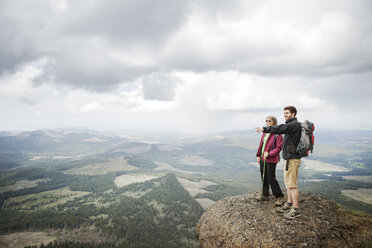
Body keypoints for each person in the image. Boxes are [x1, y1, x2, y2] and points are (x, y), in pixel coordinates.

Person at [255, 106, 302, 219]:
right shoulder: (290, 126)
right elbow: (262, 146)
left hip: (291, 158)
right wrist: (259, 155)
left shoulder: (293, 125)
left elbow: (280, 131)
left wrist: (264, 129)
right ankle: (289, 204)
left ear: (293, 114)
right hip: (288, 158)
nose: (285, 115)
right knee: (288, 184)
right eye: (284, 113)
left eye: (287, 113)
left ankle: (295, 209)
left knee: (291, 184)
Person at [255, 115, 284, 206]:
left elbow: (279, 147)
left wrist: (270, 153)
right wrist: (259, 155)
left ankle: (279, 197)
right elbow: (262, 145)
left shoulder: (277, 134)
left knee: (271, 178)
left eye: (269, 121)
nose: (267, 122)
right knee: (264, 176)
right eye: (266, 120)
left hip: (271, 159)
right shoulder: (265, 133)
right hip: (263, 158)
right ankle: (265, 195)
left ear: (274, 123)